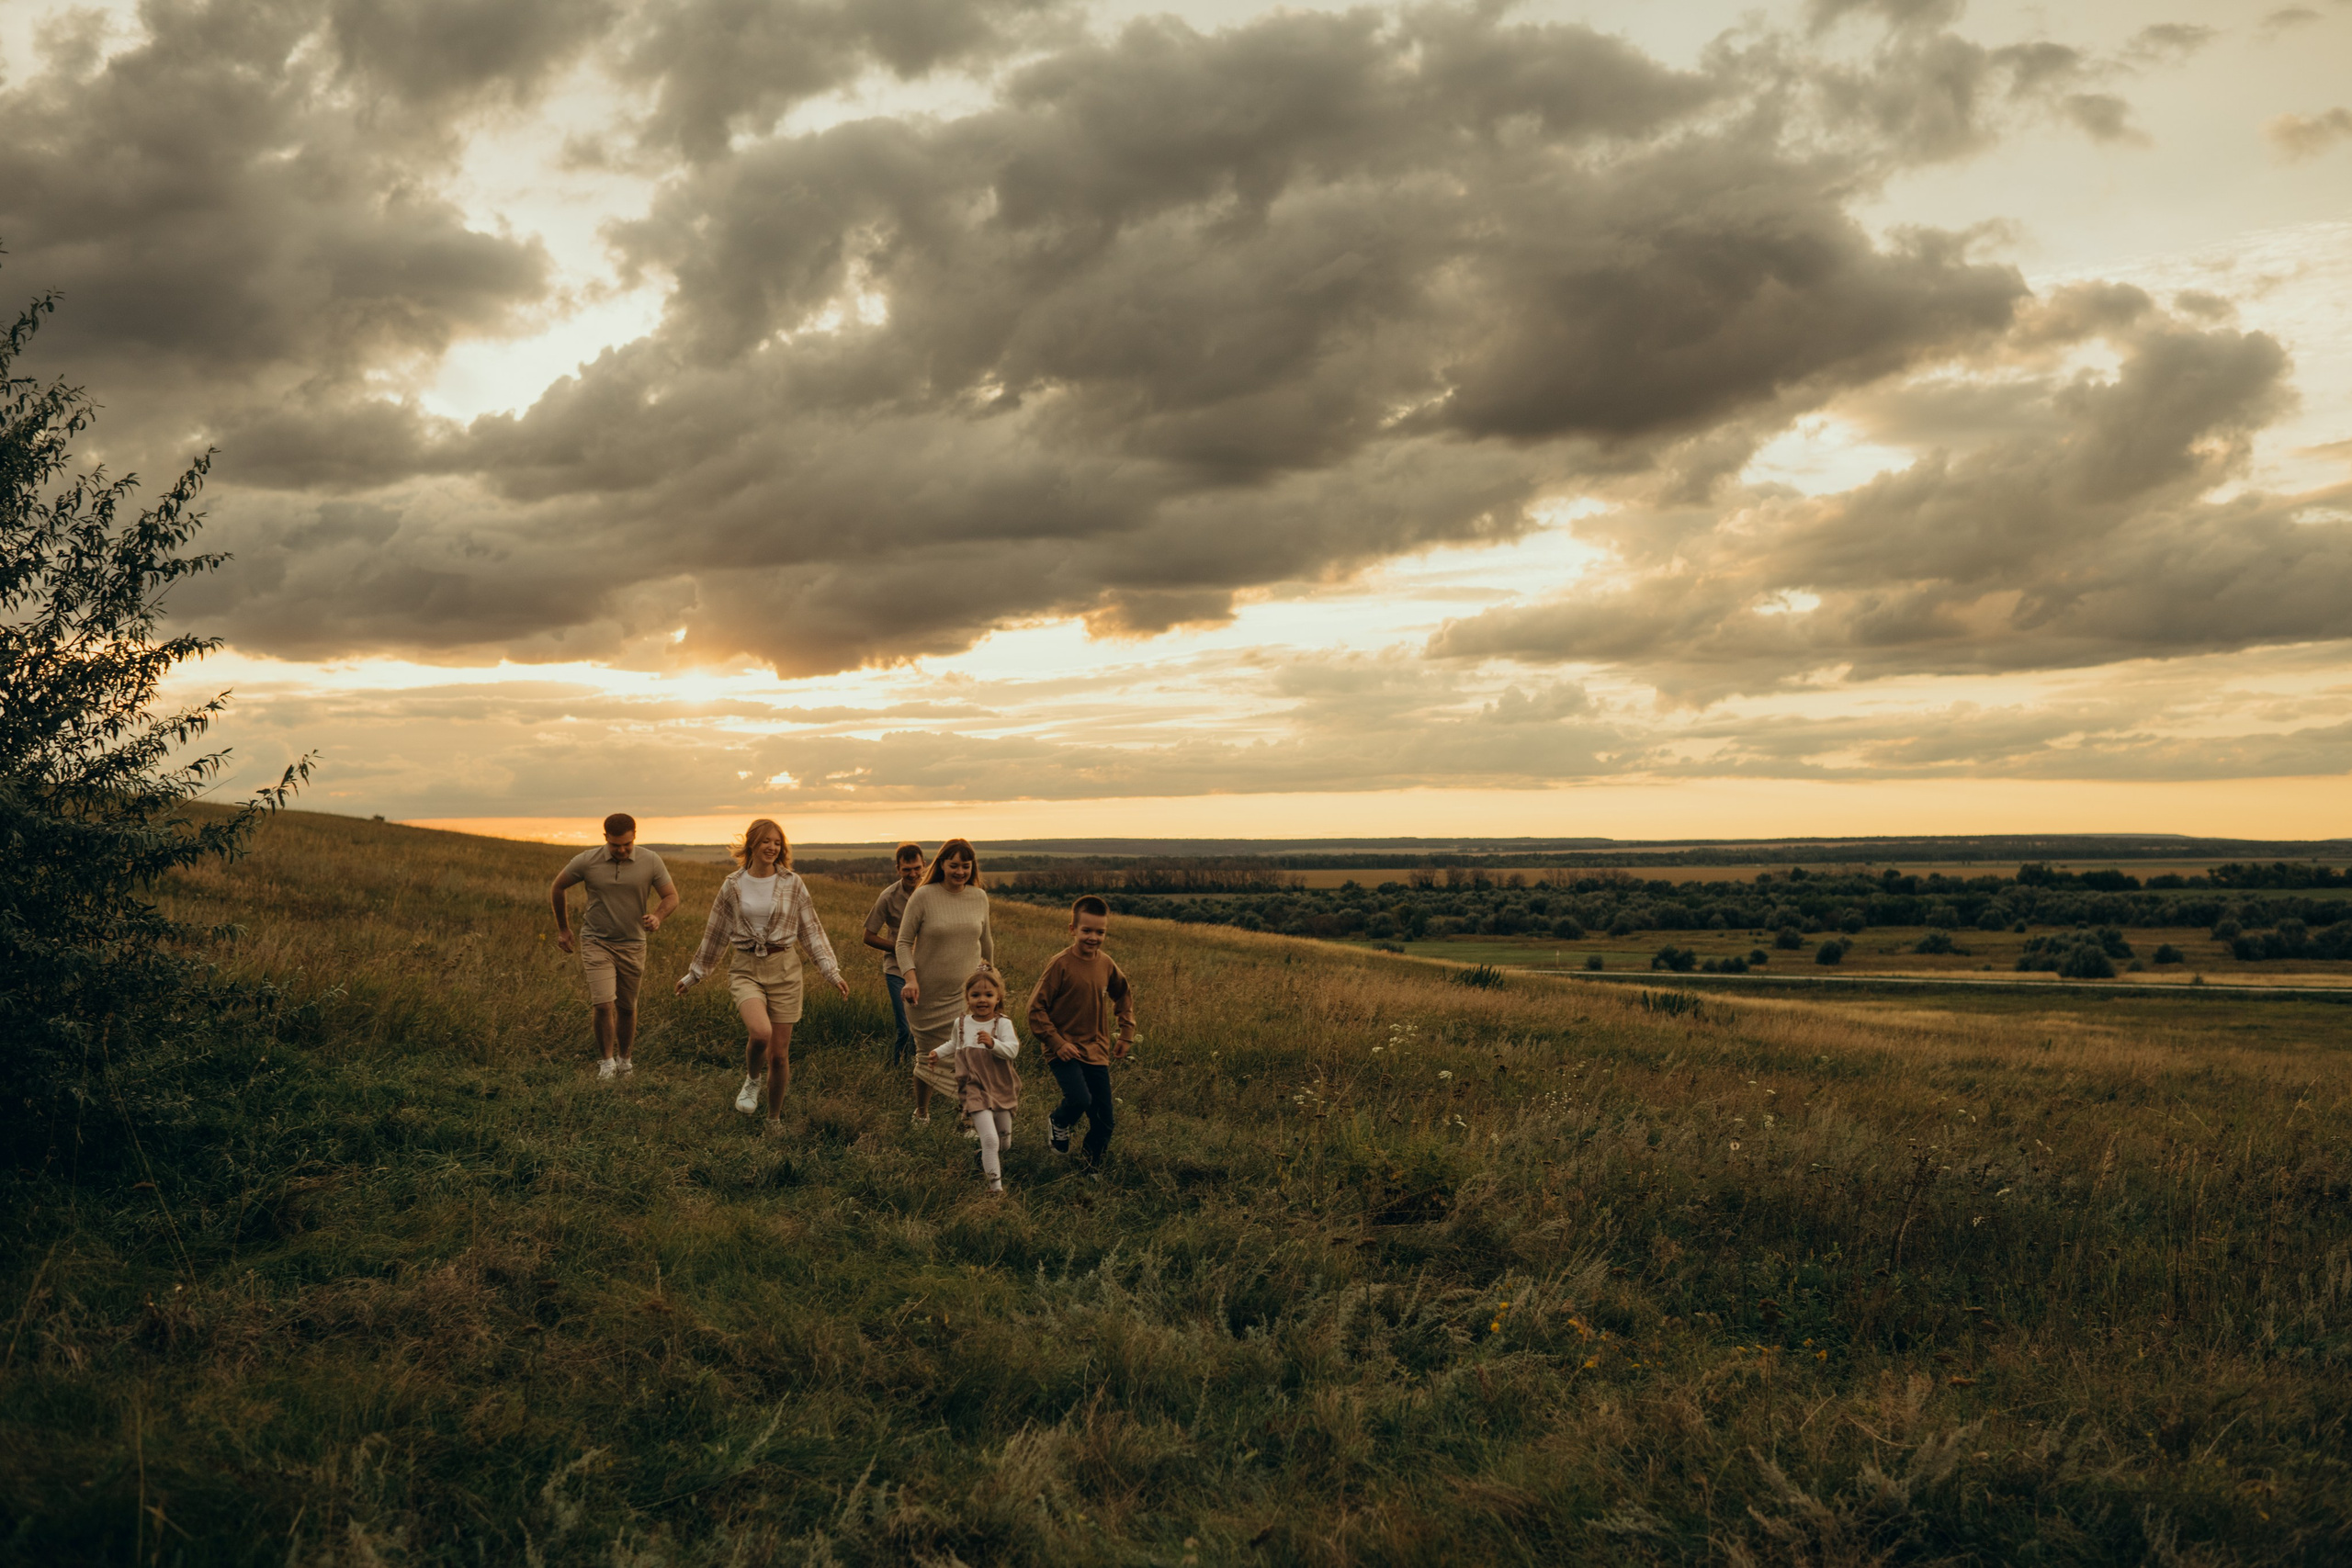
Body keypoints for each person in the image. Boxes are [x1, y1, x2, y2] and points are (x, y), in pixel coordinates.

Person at [674, 818, 848, 1135]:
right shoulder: (732, 885)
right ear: (752, 843)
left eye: (777, 842)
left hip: (785, 969)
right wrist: (694, 975)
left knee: (780, 1057)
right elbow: (715, 933)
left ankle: (773, 1119)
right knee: (760, 1033)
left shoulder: (792, 882)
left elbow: (811, 930)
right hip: (746, 968)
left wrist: (831, 972)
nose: (772, 847)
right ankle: (752, 1079)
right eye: (766, 841)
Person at [550, 813, 678, 1080]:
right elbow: (558, 887)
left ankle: (625, 1060)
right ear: (605, 838)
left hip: (633, 944)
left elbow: (671, 896)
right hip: (596, 940)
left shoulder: (650, 860)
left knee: (627, 1007)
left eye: (627, 845)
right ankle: (606, 1062)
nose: (621, 850)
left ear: (635, 836)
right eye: (615, 845)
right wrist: (563, 928)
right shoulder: (587, 860)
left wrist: (657, 916)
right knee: (603, 1004)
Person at [1026, 894, 1136, 1166]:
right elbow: (1034, 1009)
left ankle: (1091, 1166)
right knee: (1079, 1098)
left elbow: (1123, 994)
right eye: (1087, 930)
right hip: (1063, 1049)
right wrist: (1056, 1042)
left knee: (1105, 1119)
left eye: (1100, 932)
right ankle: (1058, 1121)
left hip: (1097, 1050)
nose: (1093, 937)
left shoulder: (1106, 964)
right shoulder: (1060, 964)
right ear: (1073, 929)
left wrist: (1126, 1032)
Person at [894, 838, 993, 1127]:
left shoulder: (979, 897)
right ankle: (922, 1112)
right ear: (942, 865)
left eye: (966, 865)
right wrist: (910, 979)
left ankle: (968, 1117)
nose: (960, 871)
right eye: (954, 865)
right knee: (928, 1058)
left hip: (966, 996)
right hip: (925, 997)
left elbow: (986, 942)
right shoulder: (923, 896)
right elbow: (902, 943)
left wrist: (989, 980)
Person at [929, 964, 1021, 1193]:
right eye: (976, 995)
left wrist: (993, 1044)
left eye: (988, 995)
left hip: (1000, 1086)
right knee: (989, 1139)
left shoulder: (1003, 1024)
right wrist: (937, 1053)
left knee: (1004, 1142)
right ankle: (995, 1188)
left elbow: (1013, 1050)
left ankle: (983, 1157)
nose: (982, 1000)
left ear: (998, 997)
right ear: (967, 998)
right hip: (973, 1088)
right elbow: (954, 1044)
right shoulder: (961, 1024)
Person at [862, 842, 927, 1065]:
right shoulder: (888, 897)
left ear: (924, 866)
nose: (913, 874)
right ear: (897, 869)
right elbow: (868, 936)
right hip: (897, 970)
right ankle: (897, 1068)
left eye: (917, 868)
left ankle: (921, 1069)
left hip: (928, 970)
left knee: (927, 1026)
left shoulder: (931, 892)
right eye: (907, 869)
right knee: (906, 1027)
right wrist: (900, 947)